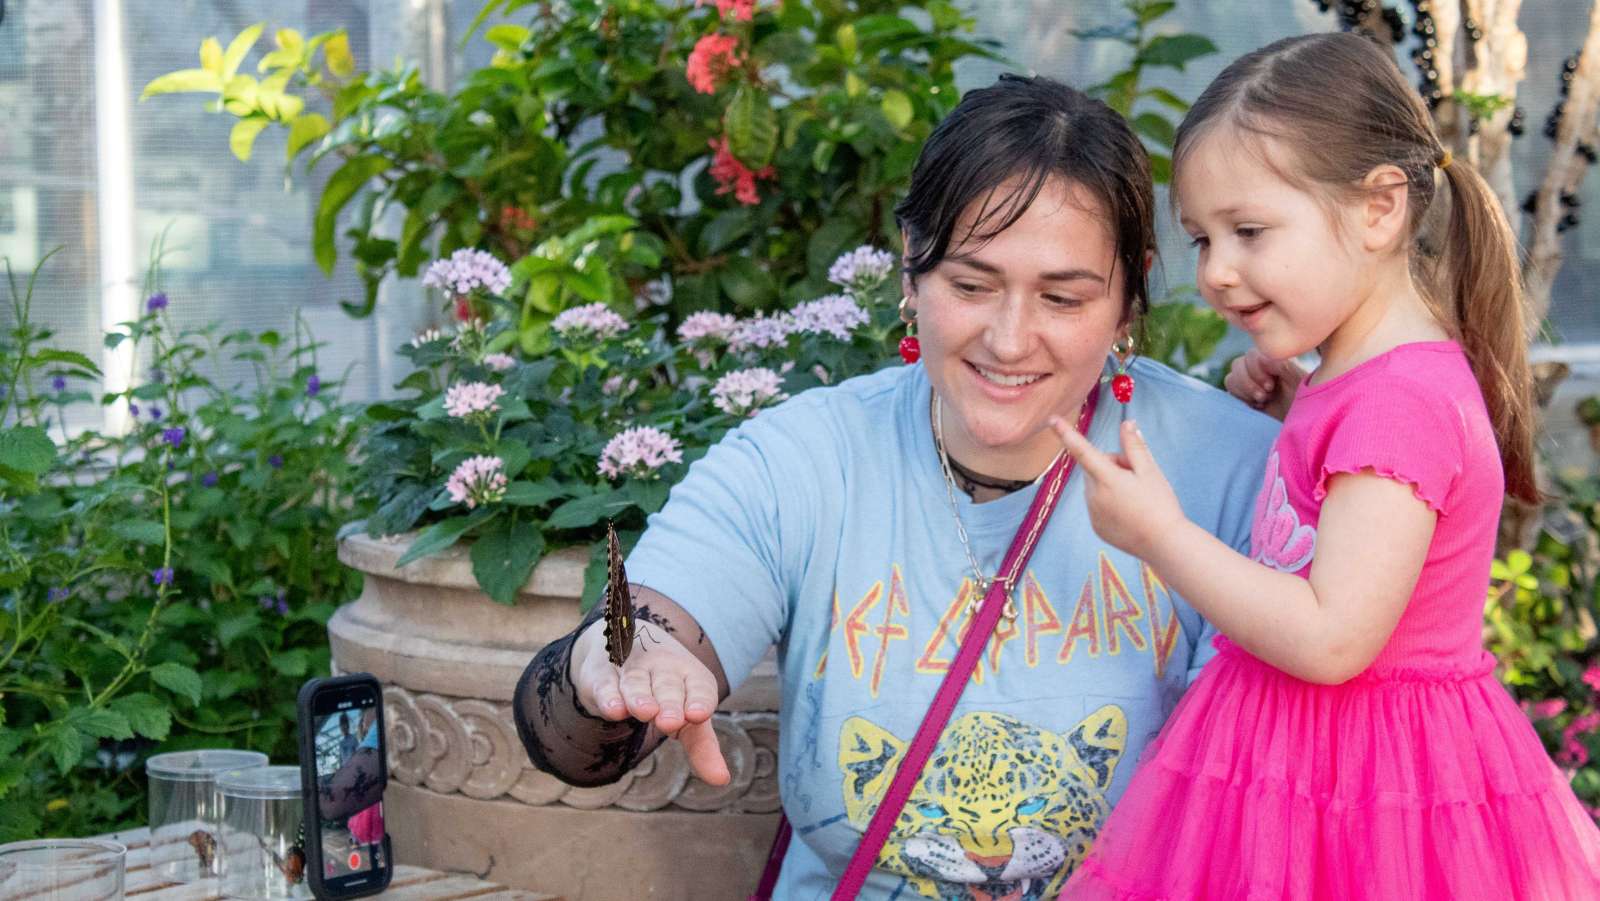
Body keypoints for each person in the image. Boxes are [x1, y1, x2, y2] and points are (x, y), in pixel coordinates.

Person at [514, 74, 1278, 898]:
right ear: (910, 272)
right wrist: (615, 667)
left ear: (1130, 297)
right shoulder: (802, 460)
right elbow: (583, 721)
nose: (1011, 339)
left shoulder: (1233, 468)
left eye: (1063, 296)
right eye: (972, 285)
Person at [1057, 32, 1600, 900]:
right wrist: (1294, 418)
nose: (1216, 272)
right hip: (1311, 764)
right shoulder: (1361, 381)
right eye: (1201, 239)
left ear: (1380, 209)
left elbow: (1330, 637)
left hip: (1367, 788)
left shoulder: (1397, 403)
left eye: (1249, 231)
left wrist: (1159, 534)